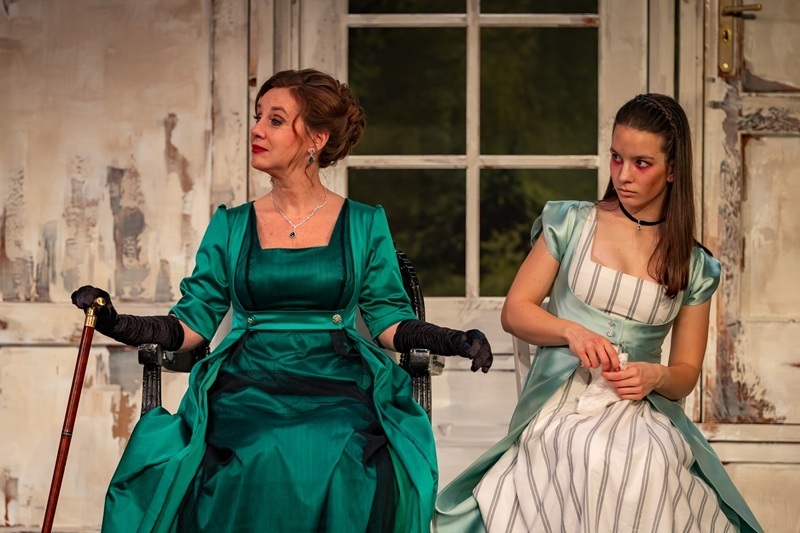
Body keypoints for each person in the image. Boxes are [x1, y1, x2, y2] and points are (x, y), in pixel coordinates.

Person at [71, 68, 493, 532]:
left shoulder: (364, 222)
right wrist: (116, 322)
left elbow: (390, 320)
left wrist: (453, 339)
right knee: (255, 446)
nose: (256, 129)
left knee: (340, 445)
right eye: (257, 117)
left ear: (316, 138)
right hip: (245, 380)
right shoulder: (231, 225)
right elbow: (191, 323)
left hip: (340, 381)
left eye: (274, 120)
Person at [434, 94, 762, 532]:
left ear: (673, 170)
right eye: (616, 158)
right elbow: (515, 311)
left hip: (640, 407)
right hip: (562, 398)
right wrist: (572, 332)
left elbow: (685, 372)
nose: (623, 175)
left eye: (641, 163)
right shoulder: (572, 223)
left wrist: (655, 376)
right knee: (585, 452)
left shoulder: (694, 265)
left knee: (653, 463)